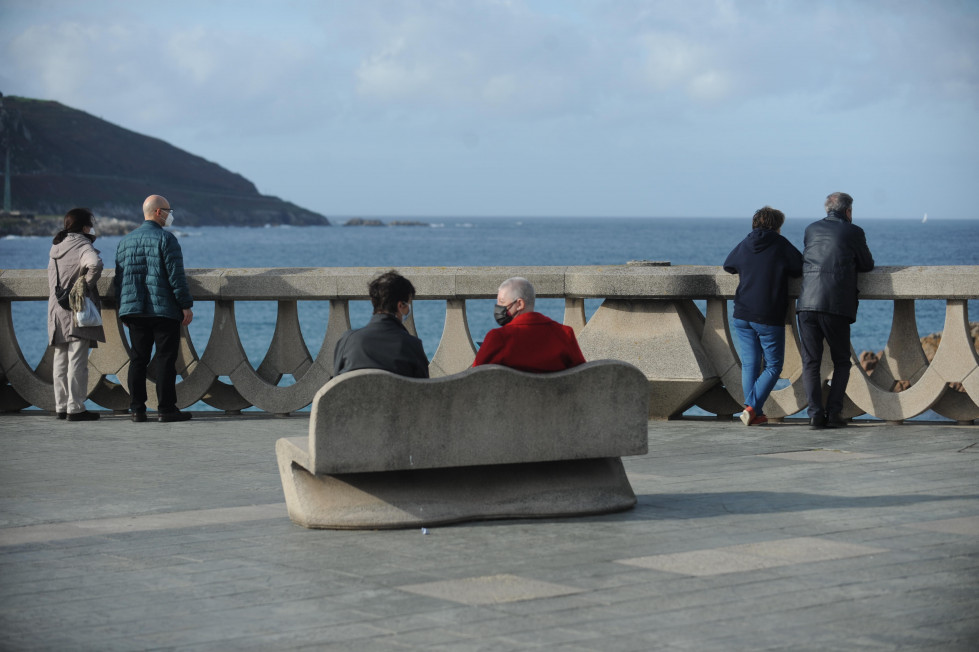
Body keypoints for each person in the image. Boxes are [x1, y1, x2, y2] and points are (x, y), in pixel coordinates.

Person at [797, 192, 875, 429]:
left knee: (811, 362)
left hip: (807, 304)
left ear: (827, 209)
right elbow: (867, 264)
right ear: (848, 211)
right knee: (842, 361)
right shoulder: (853, 231)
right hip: (835, 304)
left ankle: (814, 415)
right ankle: (834, 413)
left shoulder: (811, 229)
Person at [114, 195, 194, 423]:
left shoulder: (125, 241)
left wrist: (123, 308)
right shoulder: (167, 239)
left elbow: (120, 280)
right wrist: (185, 305)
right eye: (169, 210)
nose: (171, 214)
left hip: (134, 309)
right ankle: (166, 409)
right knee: (166, 359)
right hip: (163, 310)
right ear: (159, 212)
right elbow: (176, 276)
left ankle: (136, 409)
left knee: (138, 359)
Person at [724, 206, 803, 426]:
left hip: (742, 313)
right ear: (777, 226)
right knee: (774, 366)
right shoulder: (780, 243)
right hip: (767, 314)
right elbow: (799, 267)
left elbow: (728, 265)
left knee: (750, 365)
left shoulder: (746, 242)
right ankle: (751, 408)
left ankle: (753, 412)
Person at [47, 208, 106, 421]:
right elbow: (95, 264)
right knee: (77, 360)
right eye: (90, 224)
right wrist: (84, 284)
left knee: (60, 359)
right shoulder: (82, 245)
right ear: (83, 227)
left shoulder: (56, 247)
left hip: (56, 309)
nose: (91, 228)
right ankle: (76, 407)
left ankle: (61, 406)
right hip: (76, 308)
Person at [472, 277, 586, 372]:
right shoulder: (564, 334)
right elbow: (581, 375)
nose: (498, 308)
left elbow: (474, 379)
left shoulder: (498, 338)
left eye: (502, 302)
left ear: (520, 304)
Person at [333, 270, 429, 378]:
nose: (408, 309)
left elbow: (334, 387)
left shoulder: (347, 341)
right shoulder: (412, 346)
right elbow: (424, 391)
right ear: (400, 306)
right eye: (408, 304)